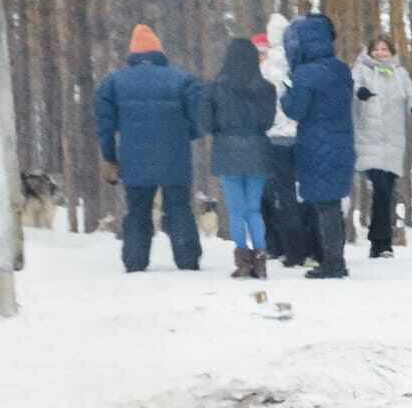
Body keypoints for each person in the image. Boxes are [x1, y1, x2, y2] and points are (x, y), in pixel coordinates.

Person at [93, 25, 205, 273]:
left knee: (137, 210)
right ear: (158, 52)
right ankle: (187, 260)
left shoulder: (113, 81)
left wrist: (110, 156)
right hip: (174, 155)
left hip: (134, 158)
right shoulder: (182, 79)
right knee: (178, 207)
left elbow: (105, 124)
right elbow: (201, 116)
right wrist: (188, 135)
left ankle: (135, 260)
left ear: (133, 53)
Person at [279, 10, 355, 280]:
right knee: (331, 202)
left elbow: (295, 111)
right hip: (341, 140)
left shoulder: (305, 74)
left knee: (325, 205)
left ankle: (333, 262)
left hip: (317, 143)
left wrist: (287, 90)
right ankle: (335, 259)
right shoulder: (340, 69)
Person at [202, 36, 278, 279]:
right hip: (257, 150)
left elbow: (205, 124)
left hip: (227, 152)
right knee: (254, 209)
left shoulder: (214, 89)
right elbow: (267, 122)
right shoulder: (266, 89)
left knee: (236, 211)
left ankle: (243, 261)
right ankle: (261, 260)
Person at [350, 34, 412, 259]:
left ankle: (382, 242)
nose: (380, 53)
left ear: (392, 52)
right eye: (377, 49)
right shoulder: (362, 69)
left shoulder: (399, 73)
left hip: (393, 139)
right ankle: (380, 243)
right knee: (381, 189)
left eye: (385, 49)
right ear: (370, 51)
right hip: (369, 137)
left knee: (387, 193)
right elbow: (352, 85)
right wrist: (360, 92)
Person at [260, 17, 306, 269]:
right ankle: (301, 247)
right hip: (298, 135)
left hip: (273, 137)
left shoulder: (266, 66)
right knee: (298, 195)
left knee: (278, 194)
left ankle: (279, 246)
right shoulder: (297, 62)